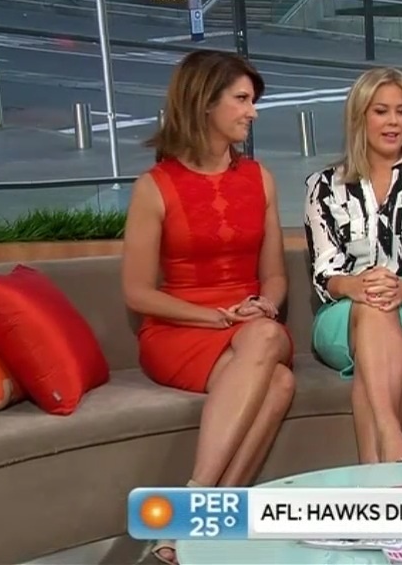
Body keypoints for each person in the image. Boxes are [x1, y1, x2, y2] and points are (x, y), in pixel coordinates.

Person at [121, 50, 295, 565]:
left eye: (252, 100)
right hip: (179, 328)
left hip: (250, 326)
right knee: (278, 380)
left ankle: (192, 517)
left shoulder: (260, 178)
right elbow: (137, 293)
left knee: (269, 347)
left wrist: (264, 304)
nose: (252, 111)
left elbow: (275, 276)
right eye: (242, 99)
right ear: (204, 103)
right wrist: (215, 317)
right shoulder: (154, 187)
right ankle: (202, 512)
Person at [304, 67, 402, 465]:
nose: (393, 122)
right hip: (344, 313)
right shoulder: (324, 186)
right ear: (360, 117)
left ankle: (376, 477)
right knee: (372, 309)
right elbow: (324, 271)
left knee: (376, 342)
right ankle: (394, 444)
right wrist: (356, 287)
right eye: (381, 111)